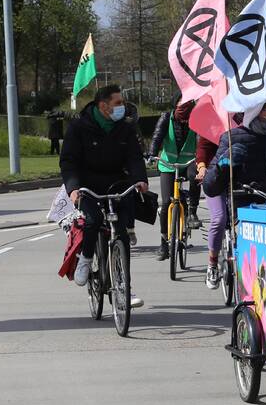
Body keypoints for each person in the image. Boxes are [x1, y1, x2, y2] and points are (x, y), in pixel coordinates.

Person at [60, 85, 149, 299]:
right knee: (92, 220)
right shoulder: (79, 127)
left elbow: (134, 158)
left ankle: (124, 285)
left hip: (117, 182)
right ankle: (86, 259)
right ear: (103, 106)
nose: (123, 107)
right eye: (118, 103)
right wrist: (73, 189)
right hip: (87, 185)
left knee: (122, 232)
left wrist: (140, 180)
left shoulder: (125, 128)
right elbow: (68, 161)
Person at [149, 99, 202, 261]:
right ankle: (164, 242)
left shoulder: (196, 118)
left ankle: (192, 212)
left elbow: (202, 140)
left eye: (188, 107)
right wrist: (152, 153)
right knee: (166, 202)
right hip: (168, 164)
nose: (184, 111)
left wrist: (202, 161)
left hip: (188, 162)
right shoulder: (166, 118)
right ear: (175, 106)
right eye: (181, 107)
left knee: (196, 176)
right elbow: (157, 137)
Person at [195, 133, 225, 288]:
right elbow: (202, 150)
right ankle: (212, 264)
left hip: (241, 179)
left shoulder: (248, 122)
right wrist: (202, 168)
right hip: (214, 179)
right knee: (219, 219)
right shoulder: (212, 126)